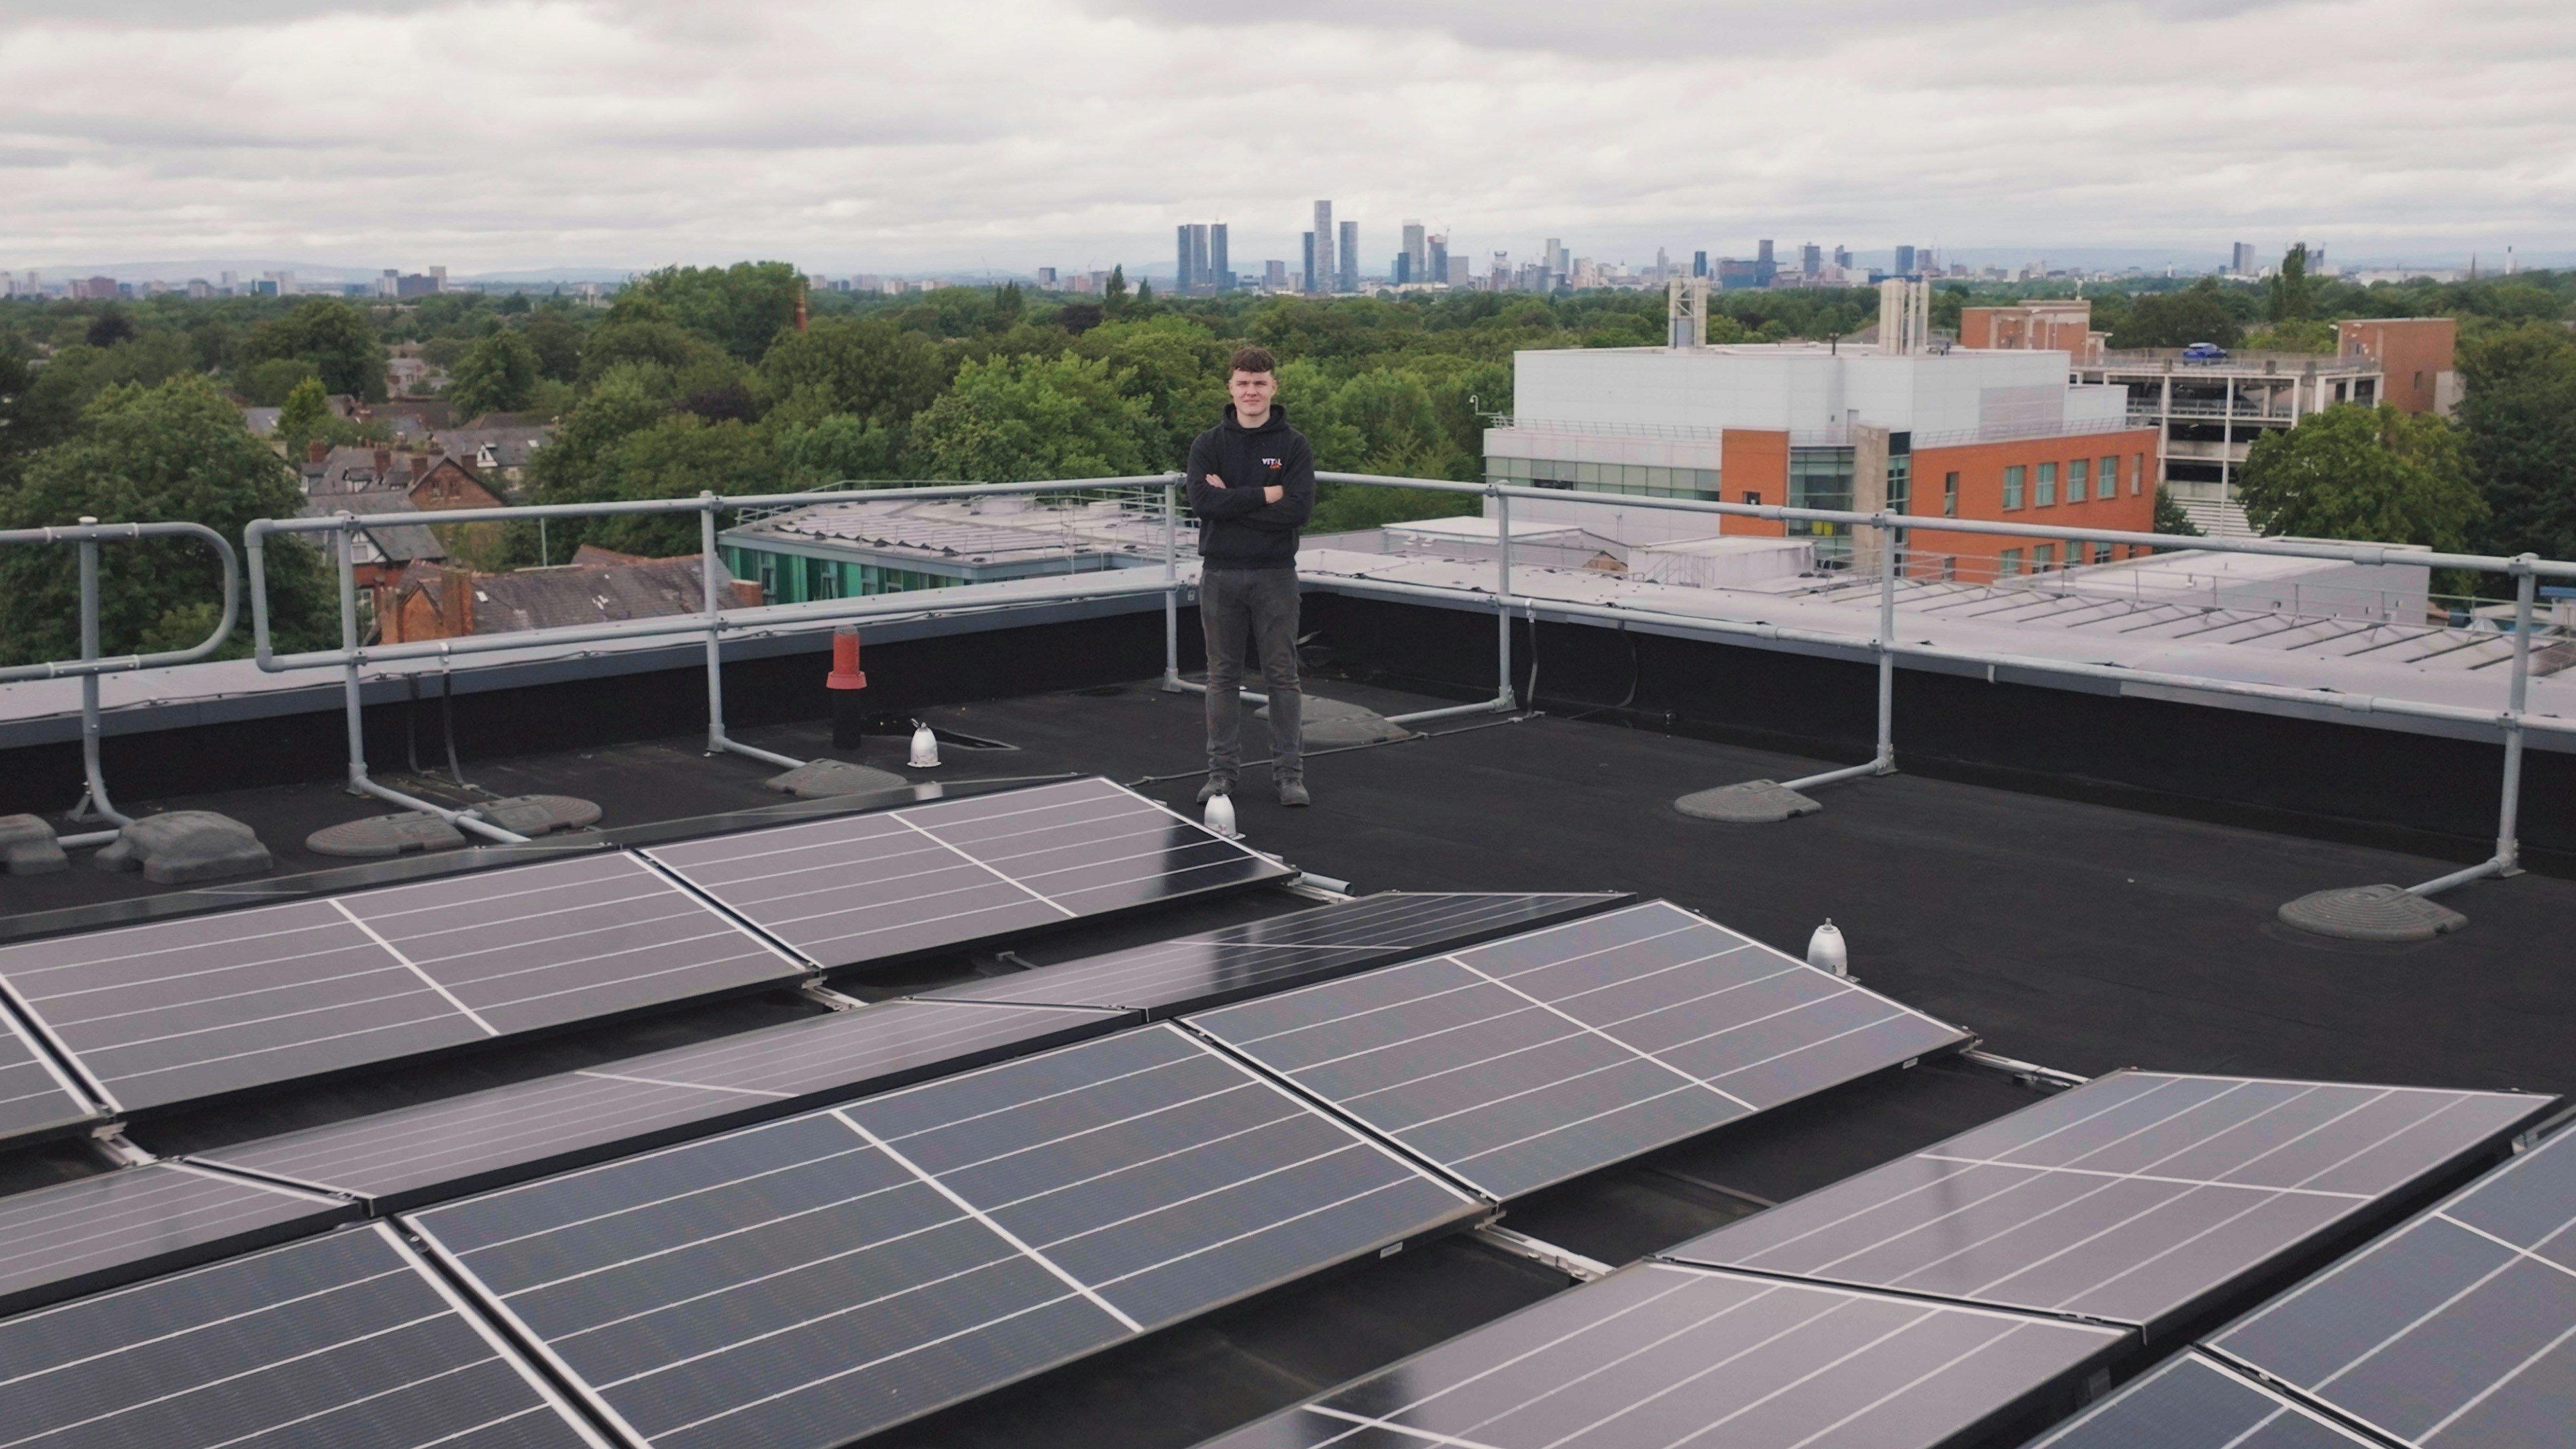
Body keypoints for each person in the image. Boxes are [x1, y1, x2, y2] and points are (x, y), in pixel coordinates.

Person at [1186, 346, 1316, 807]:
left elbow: (1298, 510)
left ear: (1274, 387)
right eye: (1243, 382)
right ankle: (1221, 775)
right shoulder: (1208, 445)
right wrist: (1266, 496)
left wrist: (1234, 504)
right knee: (1222, 677)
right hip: (1220, 575)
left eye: (1260, 383)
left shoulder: (1293, 445)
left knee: (1282, 676)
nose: (1251, 391)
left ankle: (1289, 776)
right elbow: (1203, 504)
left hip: (1275, 576)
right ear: (1231, 388)